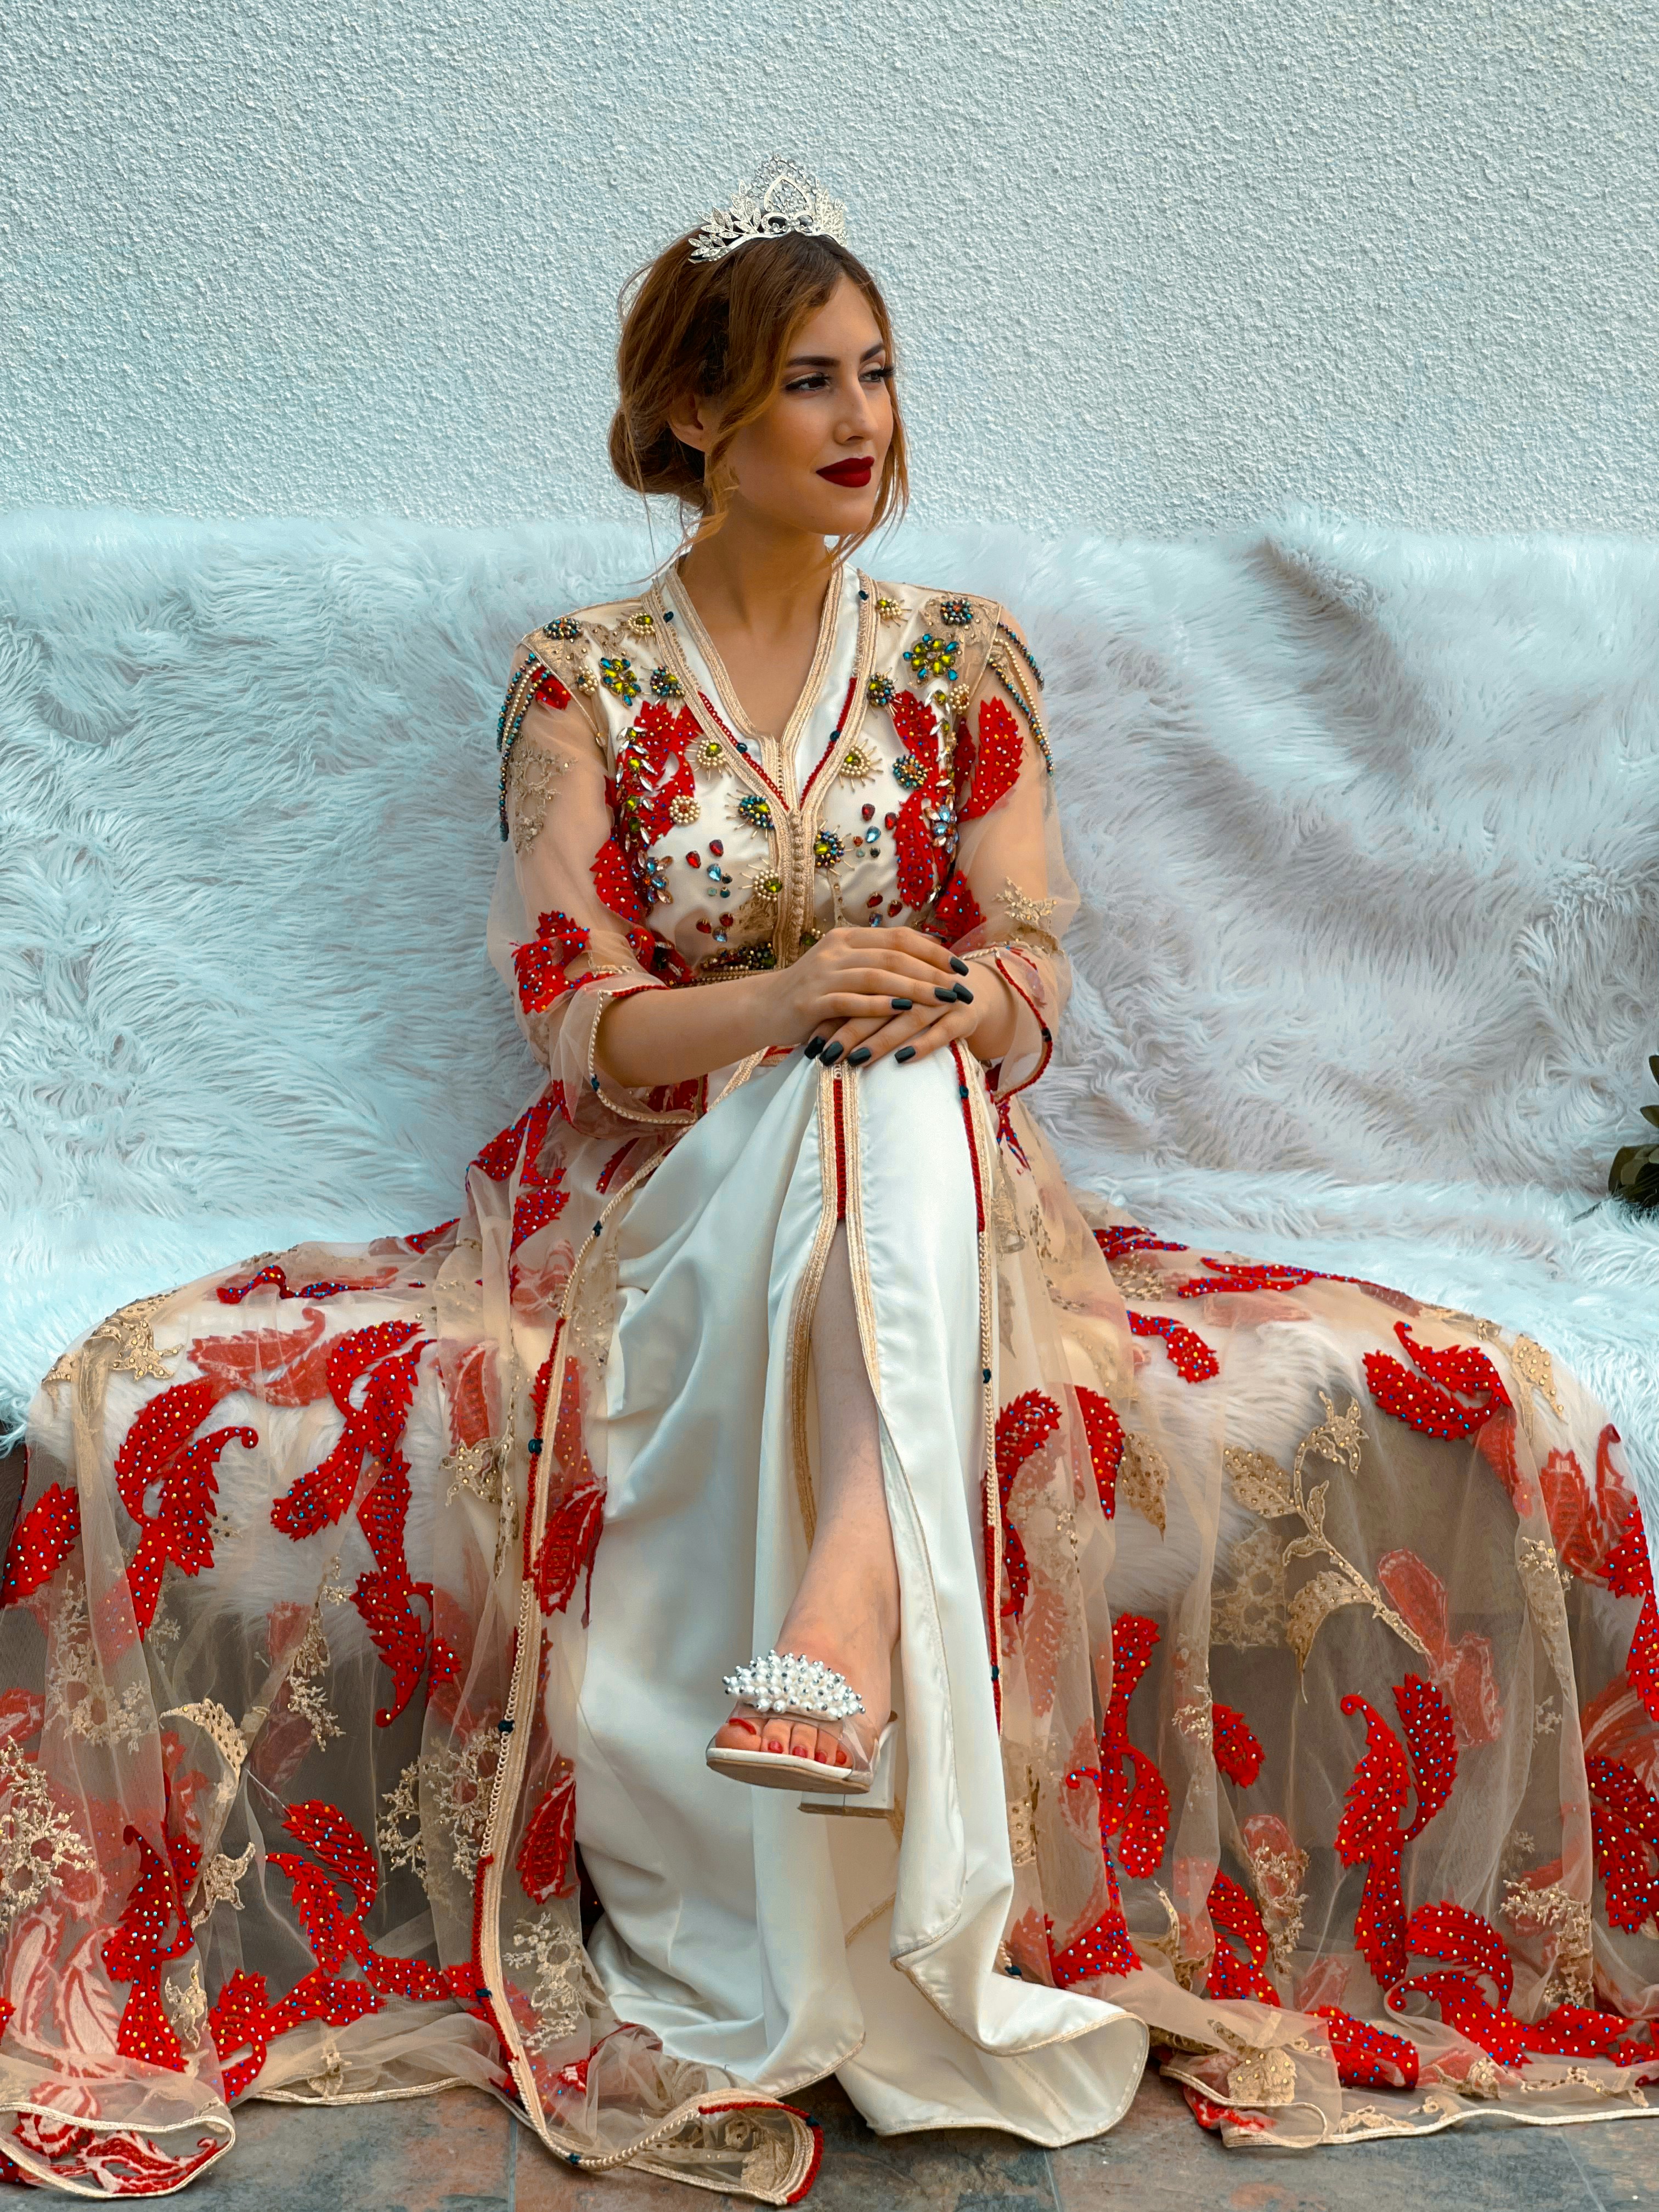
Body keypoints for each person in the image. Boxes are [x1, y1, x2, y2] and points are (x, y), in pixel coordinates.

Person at [4, 157, 1658, 2202]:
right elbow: (579, 1018)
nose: (864, 420)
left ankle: (844, 1609)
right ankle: (852, 1608)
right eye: (810, 381)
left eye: (879, 373)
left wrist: (942, 1002)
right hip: (656, 1192)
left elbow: (1033, 959)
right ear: (698, 416)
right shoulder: (582, 681)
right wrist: (784, 995)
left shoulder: (966, 660)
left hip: (941, 1169)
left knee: (890, 1084)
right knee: (827, 1076)